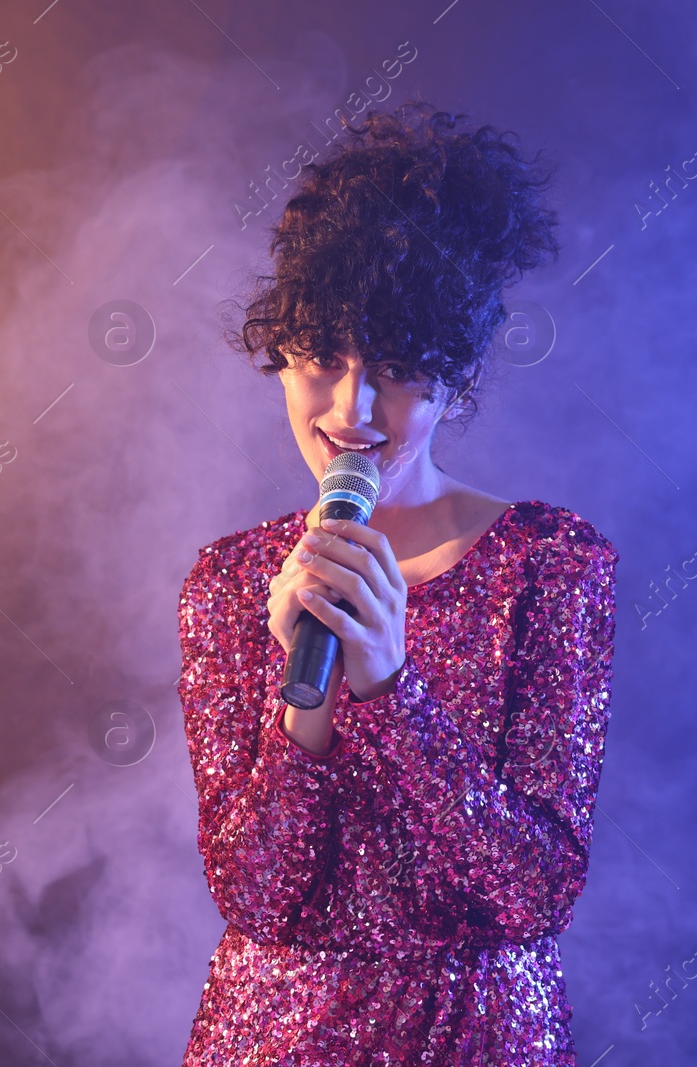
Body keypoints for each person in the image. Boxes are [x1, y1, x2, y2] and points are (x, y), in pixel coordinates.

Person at [178, 99, 618, 1064]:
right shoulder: (227, 581)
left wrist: (388, 682)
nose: (351, 408)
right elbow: (256, 893)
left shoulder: (550, 565)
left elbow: (527, 892)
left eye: (396, 368)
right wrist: (309, 708)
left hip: (478, 1036)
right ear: (282, 357)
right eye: (322, 359)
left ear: (455, 377)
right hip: (277, 1039)